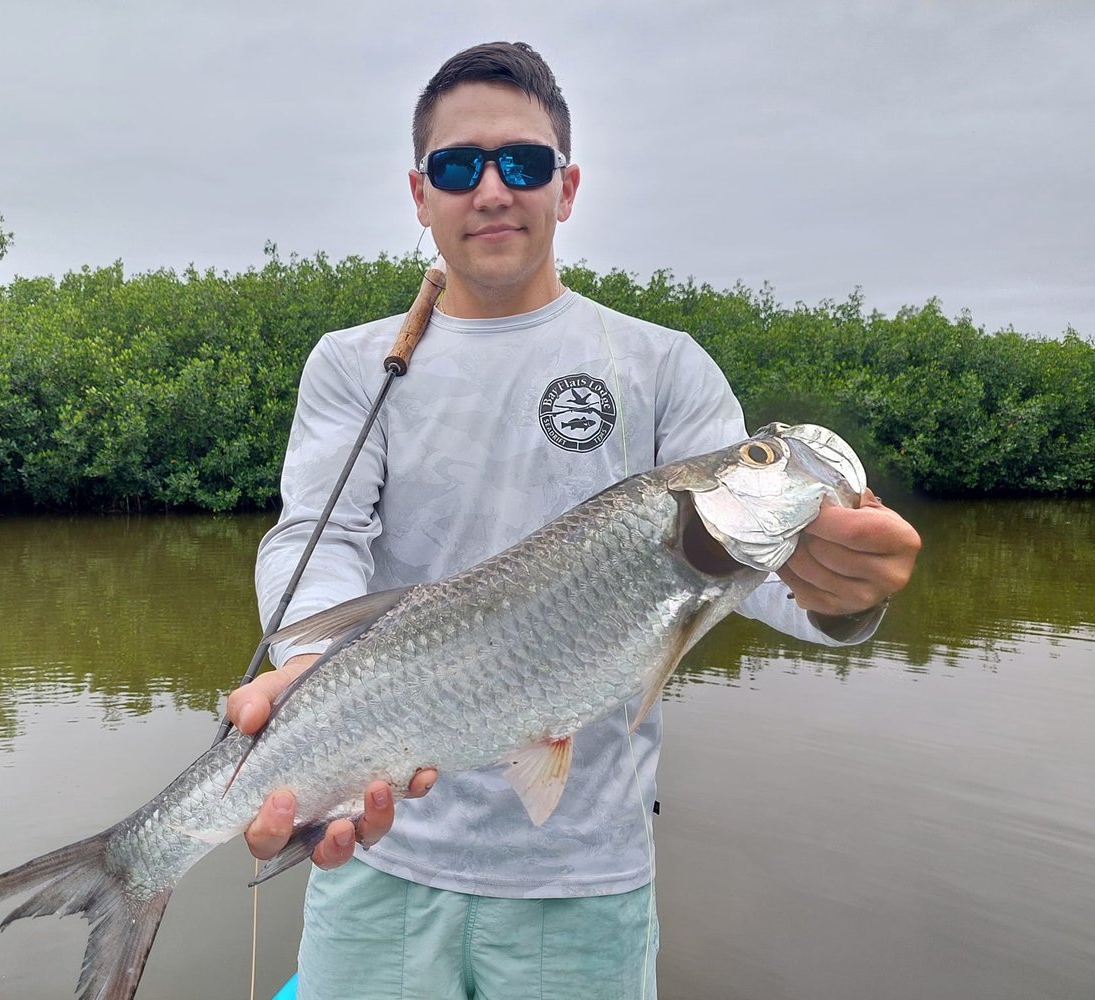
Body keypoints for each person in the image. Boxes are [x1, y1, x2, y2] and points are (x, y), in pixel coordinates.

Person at [226, 41, 921, 999]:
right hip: (377, 847)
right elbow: (319, 537)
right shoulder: (352, 364)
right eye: (460, 167)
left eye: (524, 162)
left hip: (582, 878)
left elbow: (767, 584)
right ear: (420, 194)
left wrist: (847, 598)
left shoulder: (661, 364)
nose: (494, 190)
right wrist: (308, 671)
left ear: (568, 185)